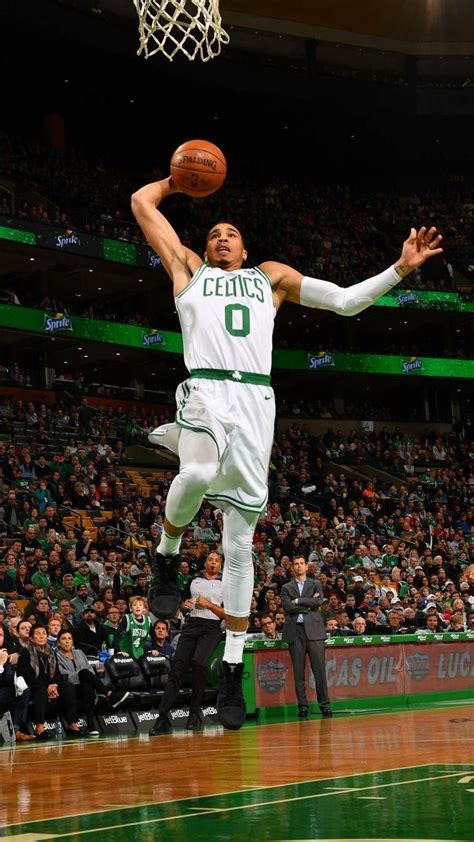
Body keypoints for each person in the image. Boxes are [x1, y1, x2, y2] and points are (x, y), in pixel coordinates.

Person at [131, 172, 442, 730]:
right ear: (204, 246)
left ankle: (232, 666)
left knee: (239, 544)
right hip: (206, 390)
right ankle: (166, 555)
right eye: (214, 233)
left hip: (257, 404)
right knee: (196, 470)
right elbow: (140, 201)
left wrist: (400, 268)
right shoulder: (188, 269)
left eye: (231, 233)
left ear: (245, 248)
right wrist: (178, 182)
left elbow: (345, 303)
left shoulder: (270, 278)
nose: (222, 237)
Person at [149, 551, 224, 735]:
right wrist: (183, 606)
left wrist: (209, 605)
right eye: (210, 559)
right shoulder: (193, 581)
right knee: (177, 667)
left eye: (217, 561)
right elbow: (181, 606)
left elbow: (229, 615)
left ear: (220, 566)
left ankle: (194, 712)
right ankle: (162, 718)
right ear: (205, 563)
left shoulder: (225, 584)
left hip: (212, 627)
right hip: (191, 625)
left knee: (199, 663)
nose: (213, 562)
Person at [281, 556, 332, 718]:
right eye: (296, 564)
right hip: (295, 632)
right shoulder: (286, 587)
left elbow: (318, 601)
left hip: (315, 631)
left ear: (306, 566)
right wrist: (307, 606)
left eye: (301, 563)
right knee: (298, 672)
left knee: (319, 671)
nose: (299, 566)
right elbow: (287, 607)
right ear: (292, 567)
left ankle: (325, 705)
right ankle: (302, 706)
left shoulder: (315, 583)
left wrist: (297, 601)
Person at [16, 624, 81, 738]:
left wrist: (54, 685)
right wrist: (47, 686)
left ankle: (72, 724)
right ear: (31, 638)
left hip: (51, 685)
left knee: (68, 686)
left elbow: (57, 673)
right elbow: (25, 676)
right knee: (41, 691)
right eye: (38, 634)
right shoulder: (25, 653)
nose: (41, 636)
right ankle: (40, 727)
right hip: (34, 686)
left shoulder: (51, 652)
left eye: (44, 633)